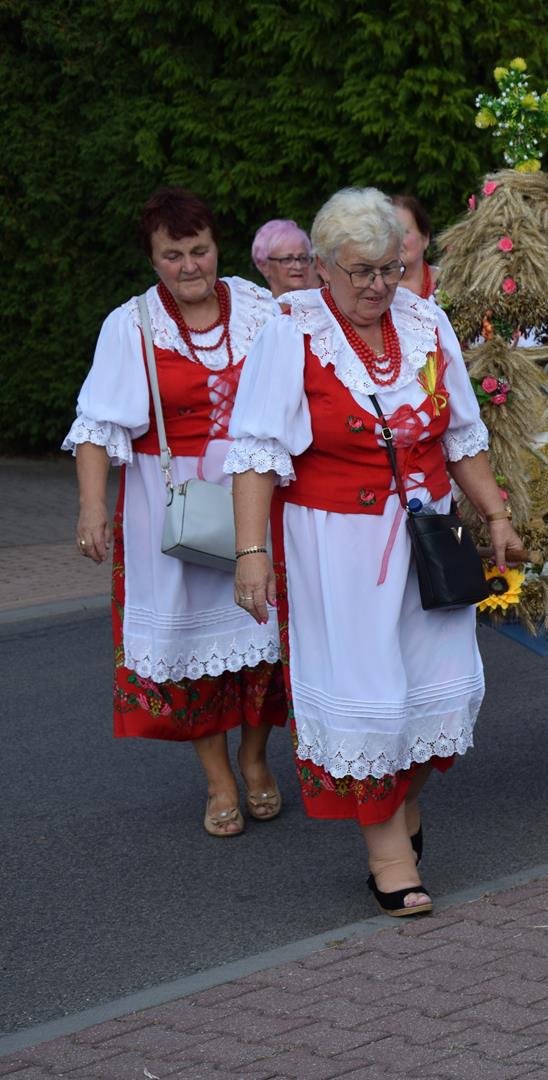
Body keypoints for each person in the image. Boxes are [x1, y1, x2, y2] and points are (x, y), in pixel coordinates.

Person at [227, 187, 517, 916]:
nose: (376, 286)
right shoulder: (290, 332)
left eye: (388, 268)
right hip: (338, 547)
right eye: (359, 272)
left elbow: (461, 435)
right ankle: (390, 859)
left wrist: (496, 513)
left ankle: (404, 809)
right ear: (322, 268)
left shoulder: (426, 322)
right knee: (372, 703)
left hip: (433, 534)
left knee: (443, 689)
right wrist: (251, 551)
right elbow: (257, 452)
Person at [65, 187, 287, 838]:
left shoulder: (257, 307)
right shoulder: (130, 325)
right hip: (171, 503)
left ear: (217, 247)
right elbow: (97, 425)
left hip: (256, 494)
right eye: (172, 255)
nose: (189, 265)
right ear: (153, 260)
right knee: (188, 645)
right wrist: (89, 508)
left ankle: (254, 760)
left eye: (199, 249)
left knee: (263, 642)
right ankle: (219, 779)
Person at [390, 193, 438, 301]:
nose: (396, 240)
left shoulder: (448, 283)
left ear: (425, 238)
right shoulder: (375, 291)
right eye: (390, 232)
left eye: (403, 232)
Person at [251, 219, 314, 300]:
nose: (298, 266)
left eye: (303, 258)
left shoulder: (325, 309)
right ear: (263, 266)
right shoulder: (254, 311)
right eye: (287, 259)